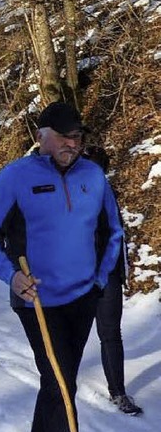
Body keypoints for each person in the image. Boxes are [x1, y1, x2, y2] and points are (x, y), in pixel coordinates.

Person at [0, 101, 123, 432]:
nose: (72, 145)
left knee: (57, 382)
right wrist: (11, 277)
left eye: (77, 138)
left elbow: (113, 230)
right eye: (63, 137)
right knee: (62, 388)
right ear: (42, 135)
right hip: (37, 302)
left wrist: (99, 280)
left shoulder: (93, 177)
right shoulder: (16, 178)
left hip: (81, 299)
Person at [84, 145, 143, 416]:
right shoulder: (68, 198)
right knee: (69, 333)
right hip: (76, 278)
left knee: (110, 333)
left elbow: (117, 239)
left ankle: (118, 392)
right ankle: (58, 384)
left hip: (107, 277)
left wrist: (121, 272)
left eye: (100, 171)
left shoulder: (109, 198)